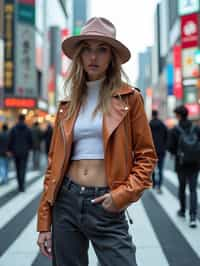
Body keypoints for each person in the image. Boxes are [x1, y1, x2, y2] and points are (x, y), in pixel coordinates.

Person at [37, 17, 157, 266]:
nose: (94, 57)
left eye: (102, 49)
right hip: (66, 202)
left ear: (112, 56)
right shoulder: (67, 104)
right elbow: (53, 166)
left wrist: (122, 195)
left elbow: (147, 156)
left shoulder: (129, 98)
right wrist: (44, 222)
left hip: (106, 201)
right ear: (79, 56)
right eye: (87, 50)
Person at [168, 105, 200, 228]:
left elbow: (170, 147)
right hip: (195, 163)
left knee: (182, 187)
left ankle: (182, 210)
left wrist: (175, 152)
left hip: (181, 163)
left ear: (179, 115)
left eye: (176, 114)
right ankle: (193, 216)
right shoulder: (196, 128)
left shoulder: (175, 130)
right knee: (193, 189)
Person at [8, 114, 33, 192]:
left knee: (17, 168)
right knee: (23, 168)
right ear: (24, 119)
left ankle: (19, 185)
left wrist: (10, 150)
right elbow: (31, 141)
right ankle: (22, 185)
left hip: (15, 151)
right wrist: (29, 148)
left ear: (18, 119)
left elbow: (10, 140)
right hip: (25, 151)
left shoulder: (13, 129)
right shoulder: (28, 129)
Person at [150, 110, 168, 193]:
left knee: (153, 168)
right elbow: (167, 136)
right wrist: (164, 146)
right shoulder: (162, 124)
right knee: (161, 169)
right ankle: (159, 186)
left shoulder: (149, 124)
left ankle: (153, 183)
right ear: (157, 115)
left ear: (152, 115)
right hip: (161, 150)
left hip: (152, 150)